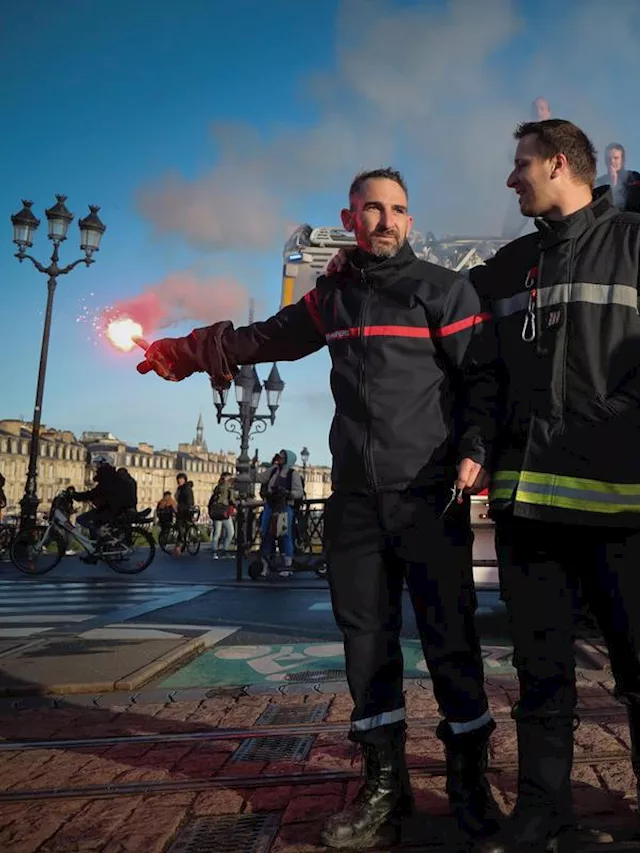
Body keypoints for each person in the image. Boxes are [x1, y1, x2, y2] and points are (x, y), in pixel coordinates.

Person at [139, 166, 503, 850]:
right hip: (355, 505)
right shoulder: (330, 298)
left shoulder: (444, 290)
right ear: (350, 216)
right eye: (372, 209)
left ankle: (469, 787)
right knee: (366, 649)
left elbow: (482, 376)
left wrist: (476, 446)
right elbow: (258, 340)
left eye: (397, 209)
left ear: (410, 220)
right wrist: (182, 352)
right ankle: (384, 788)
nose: (385, 219)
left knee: (452, 643)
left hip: (429, 498)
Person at [469, 118, 640, 851]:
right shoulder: (507, 267)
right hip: (527, 508)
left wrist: (632, 404)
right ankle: (543, 807)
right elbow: (476, 366)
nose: (512, 179)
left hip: (617, 500)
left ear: (557, 164)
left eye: (520, 166)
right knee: (539, 665)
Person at [259, 450, 305, 575]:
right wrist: (253, 467)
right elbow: (261, 478)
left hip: (284, 506)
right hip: (270, 505)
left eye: (283, 457)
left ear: (288, 459)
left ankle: (287, 565)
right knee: (266, 533)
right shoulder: (274, 470)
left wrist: (288, 493)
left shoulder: (292, 474)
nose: (280, 458)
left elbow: (299, 492)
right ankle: (265, 565)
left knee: (285, 534)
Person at [72, 457, 131, 543]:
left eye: (97, 465)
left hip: (110, 509)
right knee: (93, 521)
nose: (96, 467)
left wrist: (76, 496)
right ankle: (99, 541)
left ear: (103, 464)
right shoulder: (110, 475)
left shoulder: (106, 477)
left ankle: (98, 542)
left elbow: (95, 493)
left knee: (82, 519)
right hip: (114, 508)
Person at [596, 143, 640, 213]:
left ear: (623, 160)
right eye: (609, 158)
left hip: (630, 219)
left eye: (616, 158)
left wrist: (616, 186)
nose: (612, 161)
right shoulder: (599, 182)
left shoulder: (634, 177)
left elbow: (635, 203)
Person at [208, 472, 236, 559]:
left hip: (216, 511)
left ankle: (215, 552)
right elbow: (232, 499)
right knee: (231, 532)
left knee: (217, 533)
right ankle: (225, 549)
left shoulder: (217, 487)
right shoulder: (228, 486)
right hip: (224, 511)